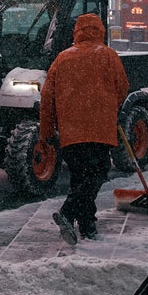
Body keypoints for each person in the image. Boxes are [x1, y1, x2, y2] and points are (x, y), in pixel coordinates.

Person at [39, 13, 130, 244]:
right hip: (100, 131)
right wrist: (109, 108)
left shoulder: (62, 58)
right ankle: (68, 212)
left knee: (80, 178)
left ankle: (88, 226)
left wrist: (47, 132)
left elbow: (46, 99)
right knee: (97, 175)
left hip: (71, 134)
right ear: (100, 31)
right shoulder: (108, 56)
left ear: (76, 32)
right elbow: (122, 89)